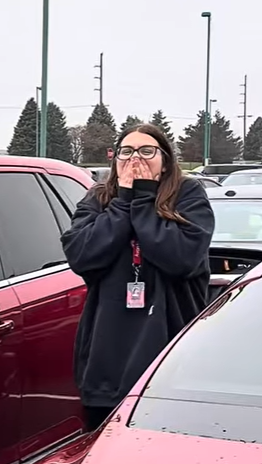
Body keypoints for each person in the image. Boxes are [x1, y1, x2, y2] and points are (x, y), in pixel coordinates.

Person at [62, 124, 215, 431]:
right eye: (126, 152)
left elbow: (179, 258)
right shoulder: (100, 199)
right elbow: (82, 255)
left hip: (170, 350)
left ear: (166, 160)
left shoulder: (188, 195)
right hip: (108, 355)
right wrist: (123, 204)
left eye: (147, 152)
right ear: (114, 160)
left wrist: (144, 200)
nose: (135, 160)